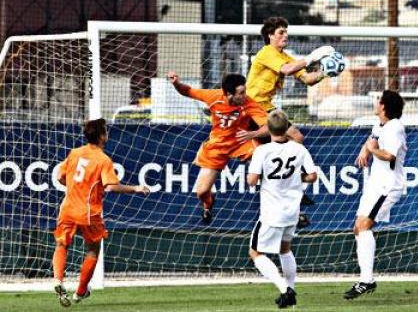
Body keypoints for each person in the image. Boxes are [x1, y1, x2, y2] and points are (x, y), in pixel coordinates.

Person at [52, 118, 150, 307]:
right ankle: (80, 292)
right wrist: (136, 188)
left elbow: (60, 176)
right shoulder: (103, 160)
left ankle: (58, 280)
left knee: (61, 244)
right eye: (105, 131)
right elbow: (112, 187)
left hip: (67, 208)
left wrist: (73, 188)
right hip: (89, 213)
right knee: (93, 249)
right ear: (102, 136)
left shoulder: (75, 153)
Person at [246, 17, 336, 221]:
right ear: (270, 36)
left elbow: (308, 80)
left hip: (265, 107)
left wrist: (325, 71)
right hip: (252, 107)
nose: (285, 35)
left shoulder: (285, 56)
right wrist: (314, 56)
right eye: (280, 32)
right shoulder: (266, 53)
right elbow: (286, 70)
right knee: (293, 137)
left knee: (295, 139)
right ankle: (290, 186)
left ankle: (292, 192)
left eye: (286, 32)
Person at [167, 71, 269, 224]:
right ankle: (208, 205)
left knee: (266, 160)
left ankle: (291, 197)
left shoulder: (249, 103)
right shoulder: (214, 97)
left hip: (242, 141)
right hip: (218, 146)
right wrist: (176, 84)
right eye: (240, 93)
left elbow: (268, 127)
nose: (244, 95)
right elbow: (187, 91)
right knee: (201, 192)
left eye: (245, 91)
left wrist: (253, 133)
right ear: (228, 94)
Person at [247, 110, 317, 308]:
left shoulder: (262, 151)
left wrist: (262, 176)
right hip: (292, 211)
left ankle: (284, 288)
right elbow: (312, 176)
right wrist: (295, 178)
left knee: (255, 253)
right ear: (287, 128)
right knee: (285, 250)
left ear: (268, 129)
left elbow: (251, 181)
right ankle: (291, 288)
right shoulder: (299, 149)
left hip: (271, 212)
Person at [344, 90, 407, 300]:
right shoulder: (380, 124)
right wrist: (365, 149)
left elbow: (389, 155)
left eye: (378, 100)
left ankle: (366, 280)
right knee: (358, 228)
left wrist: (371, 150)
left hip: (387, 186)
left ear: (383, 106)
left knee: (364, 227)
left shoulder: (395, 128)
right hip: (375, 184)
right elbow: (372, 138)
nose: (376, 102)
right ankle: (366, 279)